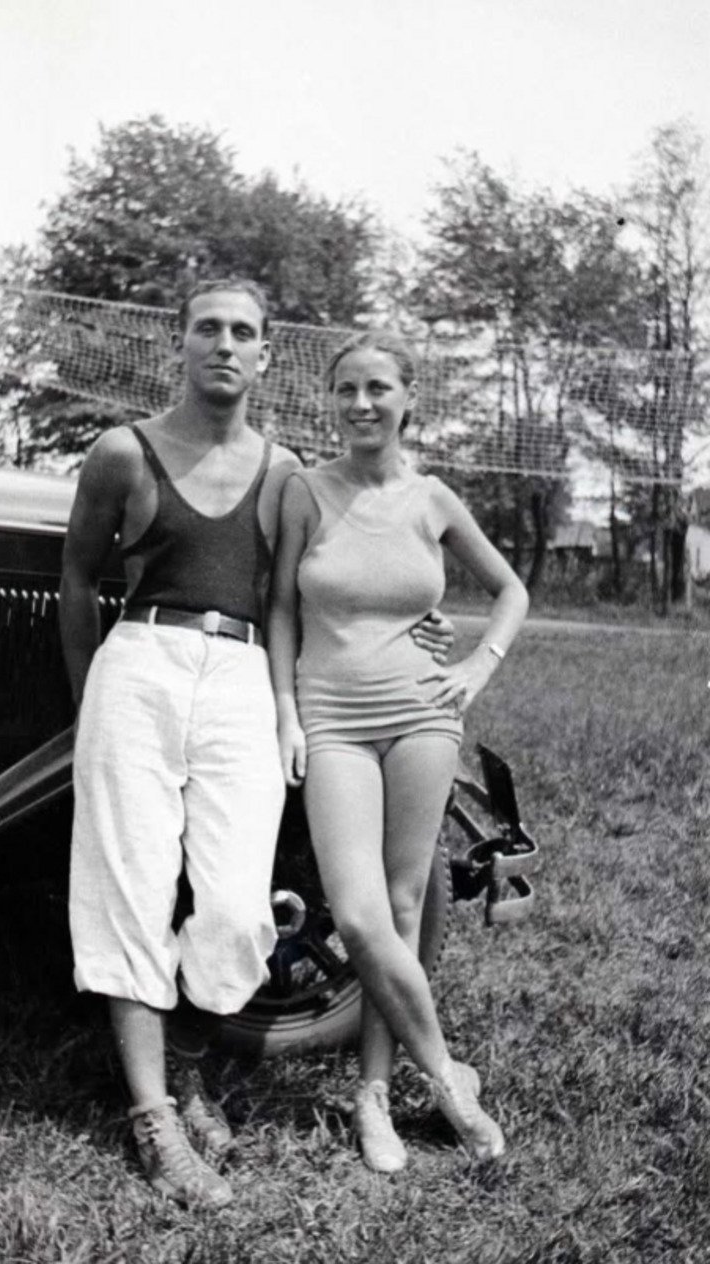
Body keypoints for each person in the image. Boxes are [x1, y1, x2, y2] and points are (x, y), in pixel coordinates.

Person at [59, 284, 455, 1208]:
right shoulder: (124, 451)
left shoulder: (287, 472)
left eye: (244, 333)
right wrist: (90, 702)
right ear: (180, 343)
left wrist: (423, 627)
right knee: (130, 886)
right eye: (208, 329)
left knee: (239, 908)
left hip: (242, 677)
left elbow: (339, 569)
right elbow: (78, 580)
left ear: (267, 356)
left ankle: (192, 1057)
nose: (225, 346)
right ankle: (156, 1115)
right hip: (142, 666)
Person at [268, 330, 529, 1174]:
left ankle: (373, 1095)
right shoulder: (306, 490)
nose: (361, 405)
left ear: (409, 397)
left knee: (405, 904)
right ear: (331, 400)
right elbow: (279, 610)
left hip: (421, 716)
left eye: (378, 388)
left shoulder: (432, 500)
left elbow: (510, 591)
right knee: (357, 916)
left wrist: (477, 667)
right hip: (333, 718)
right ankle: (451, 1078)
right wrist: (285, 710)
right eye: (346, 389)